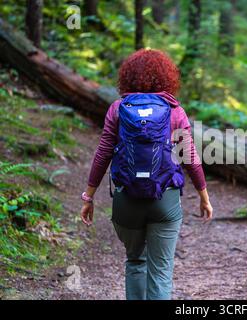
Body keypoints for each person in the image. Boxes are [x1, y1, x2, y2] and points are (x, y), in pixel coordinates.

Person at [79, 49, 213, 300]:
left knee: (135, 261)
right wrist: (204, 197)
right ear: (167, 78)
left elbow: (103, 154)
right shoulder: (175, 111)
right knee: (161, 271)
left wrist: (89, 196)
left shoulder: (118, 109)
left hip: (126, 200)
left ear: (127, 77)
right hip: (165, 200)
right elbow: (191, 159)